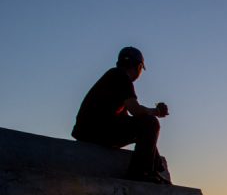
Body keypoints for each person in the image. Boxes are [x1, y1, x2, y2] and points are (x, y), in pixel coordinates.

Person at [72, 46, 171, 184]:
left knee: (144, 125)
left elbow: (130, 120)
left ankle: (154, 168)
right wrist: (157, 112)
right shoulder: (120, 76)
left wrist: (156, 158)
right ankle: (141, 173)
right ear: (138, 66)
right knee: (150, 122)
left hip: (90, 131)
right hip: (96, 131)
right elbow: (135, 111)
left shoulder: (113, 78)